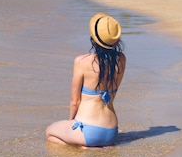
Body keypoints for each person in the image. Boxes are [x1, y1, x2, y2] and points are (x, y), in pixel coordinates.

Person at [46, 13, 126, 148]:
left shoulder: (82, 61)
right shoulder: (121, 59)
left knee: (49, 132)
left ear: (94, 38)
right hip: (112, 131)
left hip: (88, 130)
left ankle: (84, 146)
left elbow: (74, 101)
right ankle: (89, 145)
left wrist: (71, 123)